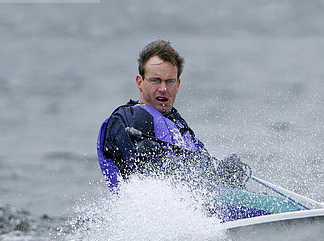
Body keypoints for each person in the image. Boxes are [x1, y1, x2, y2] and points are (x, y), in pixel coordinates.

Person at [97, 40, 245, 193]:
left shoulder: (177, 122)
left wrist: (223, 173)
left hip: (203, 203)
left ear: (178, 84)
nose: (163, 88)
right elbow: (141, 169)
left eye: (170, 81)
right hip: (163, 209)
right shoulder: (126, 119)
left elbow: (201, 162)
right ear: (140, 82)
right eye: (155, 81)